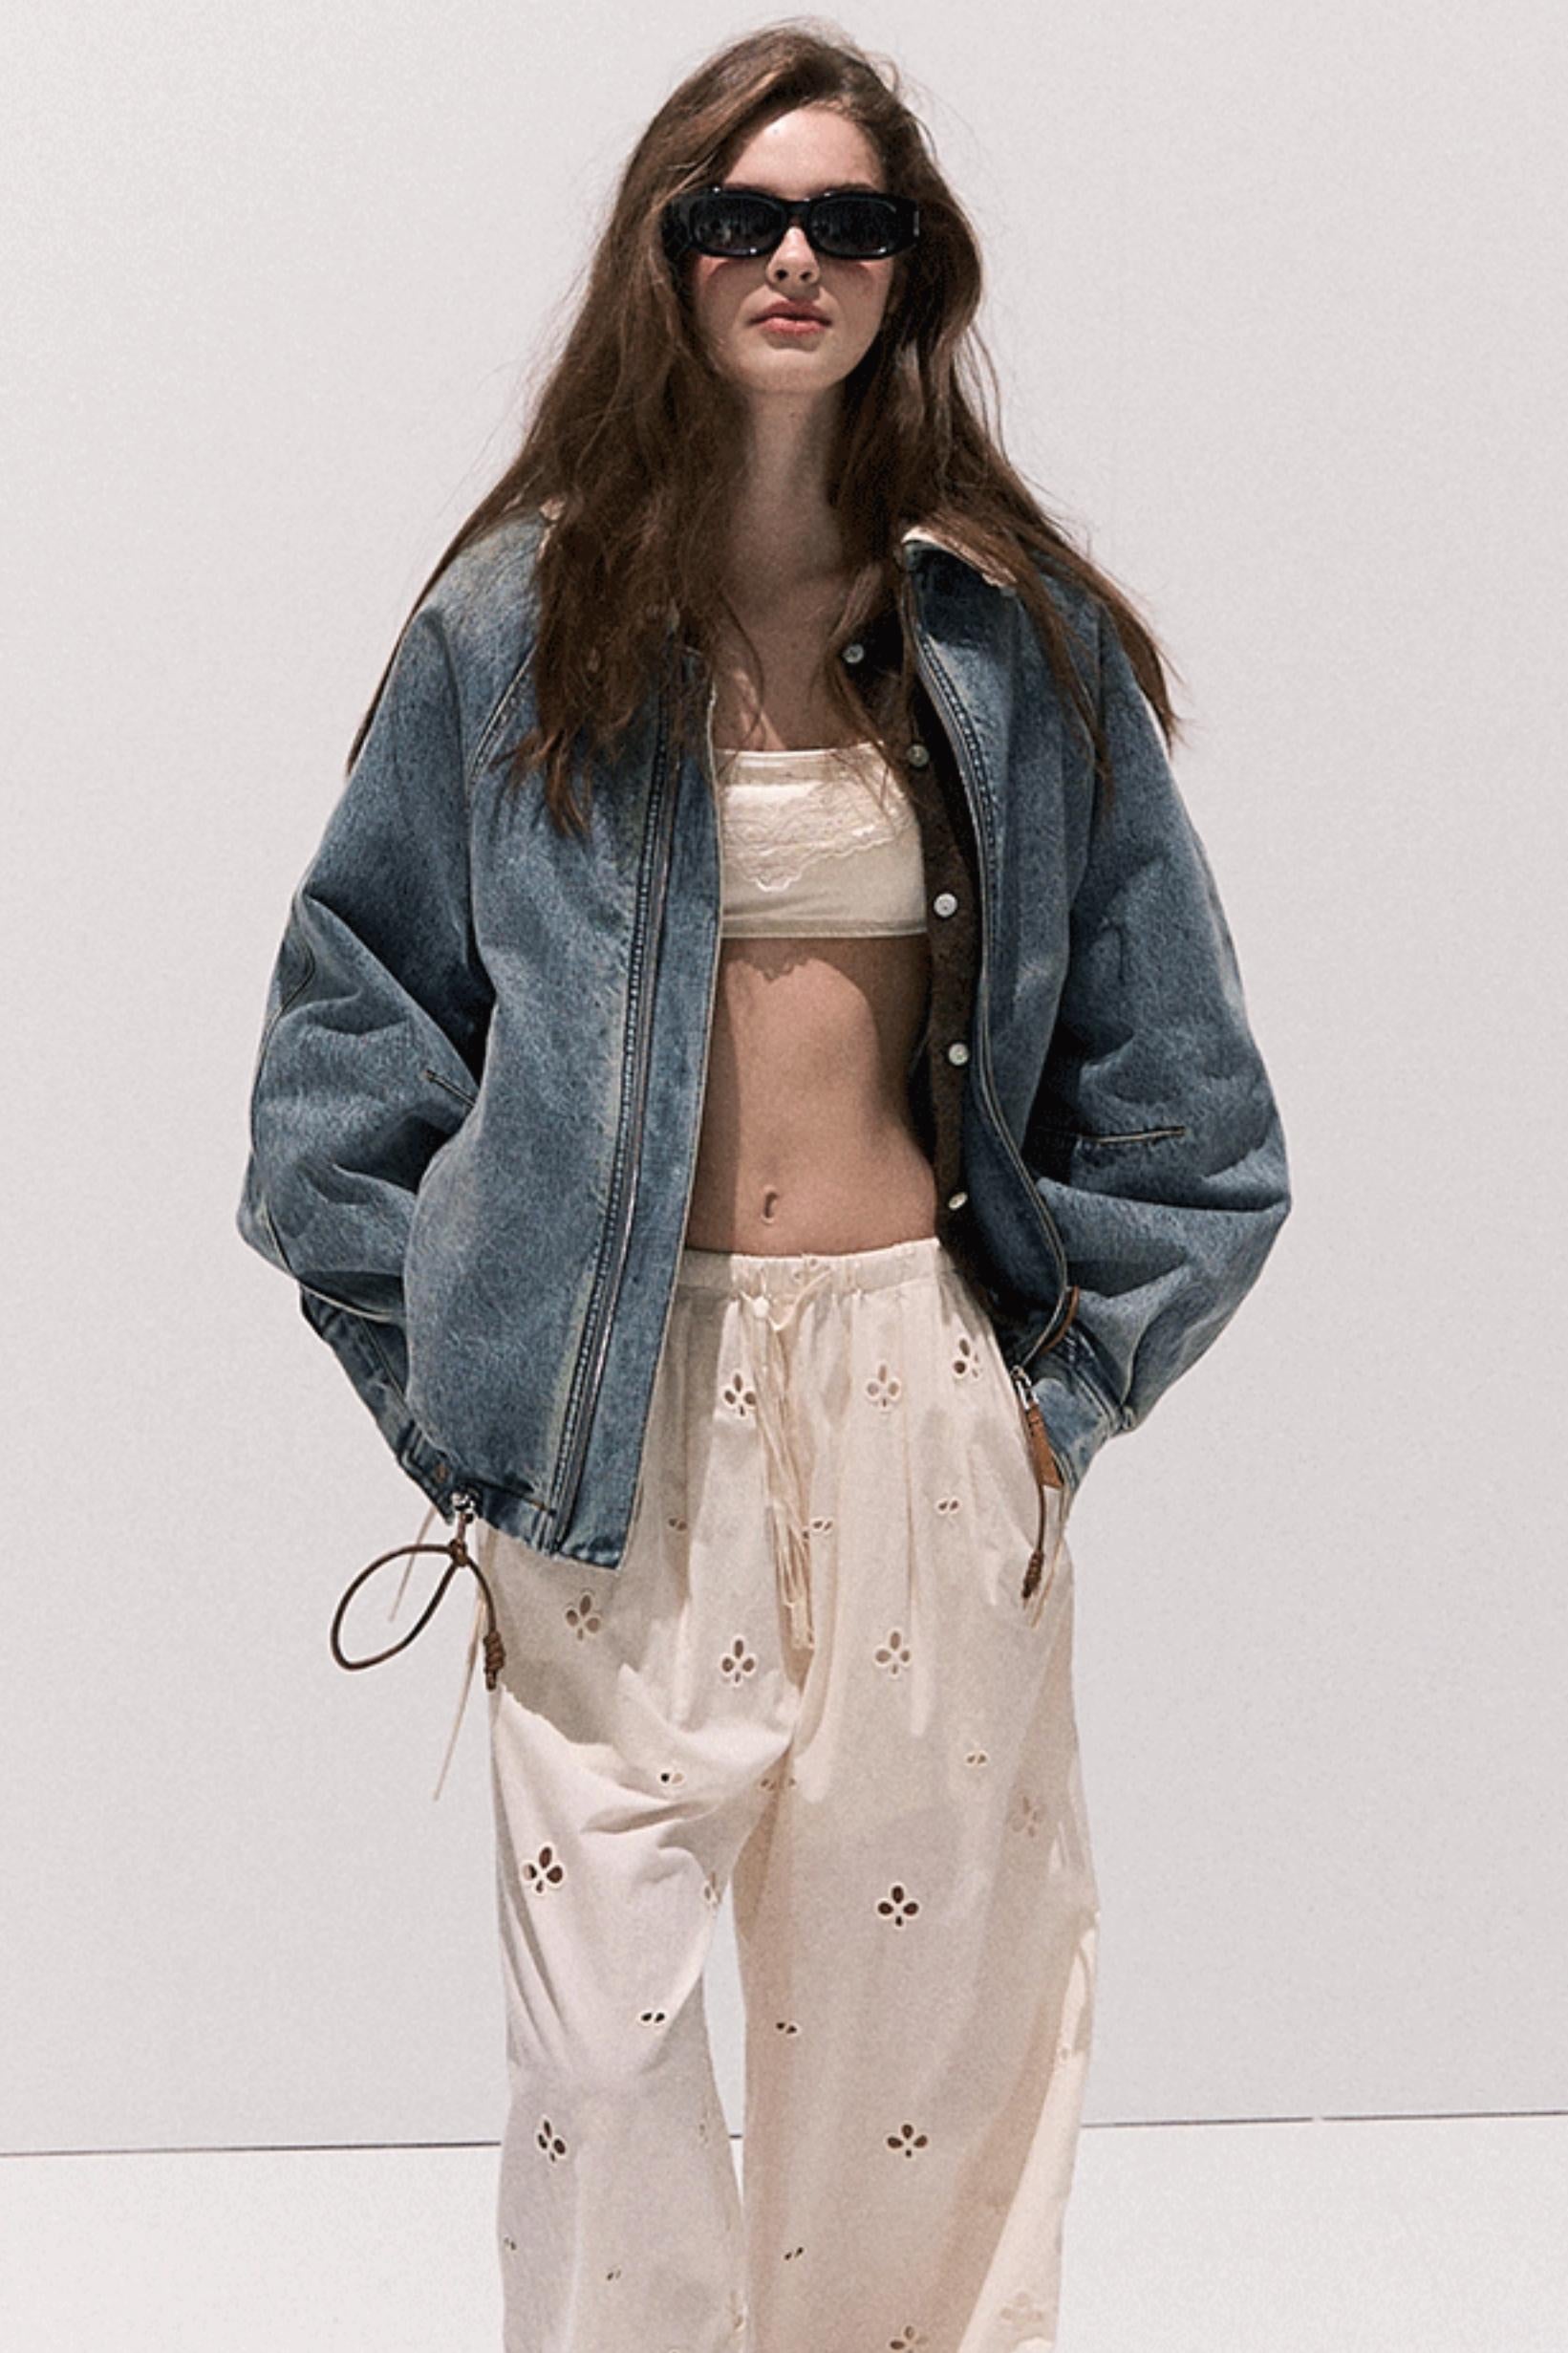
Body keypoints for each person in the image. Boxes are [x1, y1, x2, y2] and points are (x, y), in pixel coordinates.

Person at [237, 26, 1291, 2352]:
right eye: (740, 218)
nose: (791, 258)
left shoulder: (1011, 638)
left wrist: (1047, 1403)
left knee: (919, 2067)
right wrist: (468, 1407)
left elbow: (1187, 1108)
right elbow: (338, 1066)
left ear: (911, 269)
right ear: (668, 256)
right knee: (600, 2057)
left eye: (845, 221)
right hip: (615, 1431)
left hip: (923, 1402)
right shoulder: (516, 623)